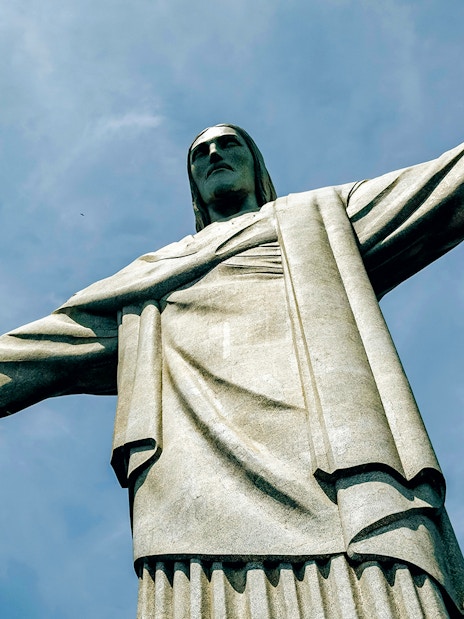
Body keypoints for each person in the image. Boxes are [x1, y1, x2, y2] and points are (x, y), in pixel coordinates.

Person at [1, 124, 464, 618]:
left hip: (331, 455)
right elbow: (34, 351)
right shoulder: (151, 275)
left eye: (228, 144)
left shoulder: (317, 219)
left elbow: (443, 182)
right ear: (193, 185)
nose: (214, 154)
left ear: (256, 165)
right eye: (200, 153)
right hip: (194, 472)